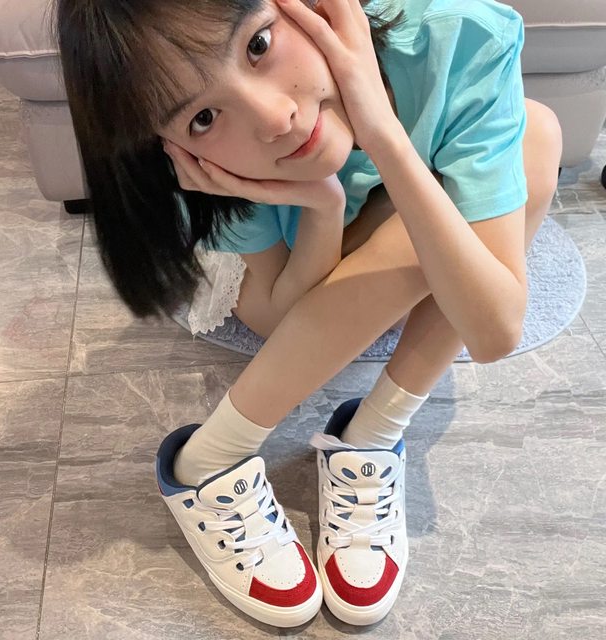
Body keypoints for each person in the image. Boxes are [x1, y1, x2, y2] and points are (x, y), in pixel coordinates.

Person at [54, 0, 563, 628]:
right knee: (446, 211)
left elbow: (493, 332)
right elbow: (279, 323)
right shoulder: (207, 163)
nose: (275, 117)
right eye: (204, 117)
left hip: (385, 218)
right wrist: (323, 207)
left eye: (258, 45)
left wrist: (382, 132)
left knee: (535, 135)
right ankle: (209, 457)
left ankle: (371, 432)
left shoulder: (459, 37)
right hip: (291, 261)